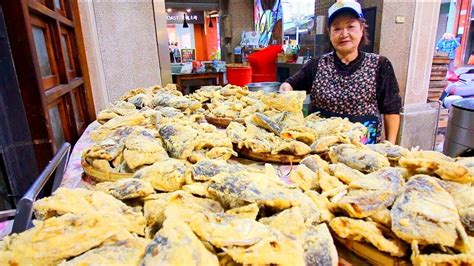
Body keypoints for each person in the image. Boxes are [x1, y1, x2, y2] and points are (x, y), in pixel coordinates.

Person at [279, 0, 401, 144]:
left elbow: (391, 109)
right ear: (329, 33)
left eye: (350, 26)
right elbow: (290, 85)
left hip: (363, 150)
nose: (344, 34)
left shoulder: (379, 65)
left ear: (362, 29)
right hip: (322, 146)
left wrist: (391, 146)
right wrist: (285, 90)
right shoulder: (317, 64)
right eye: (337, 28)